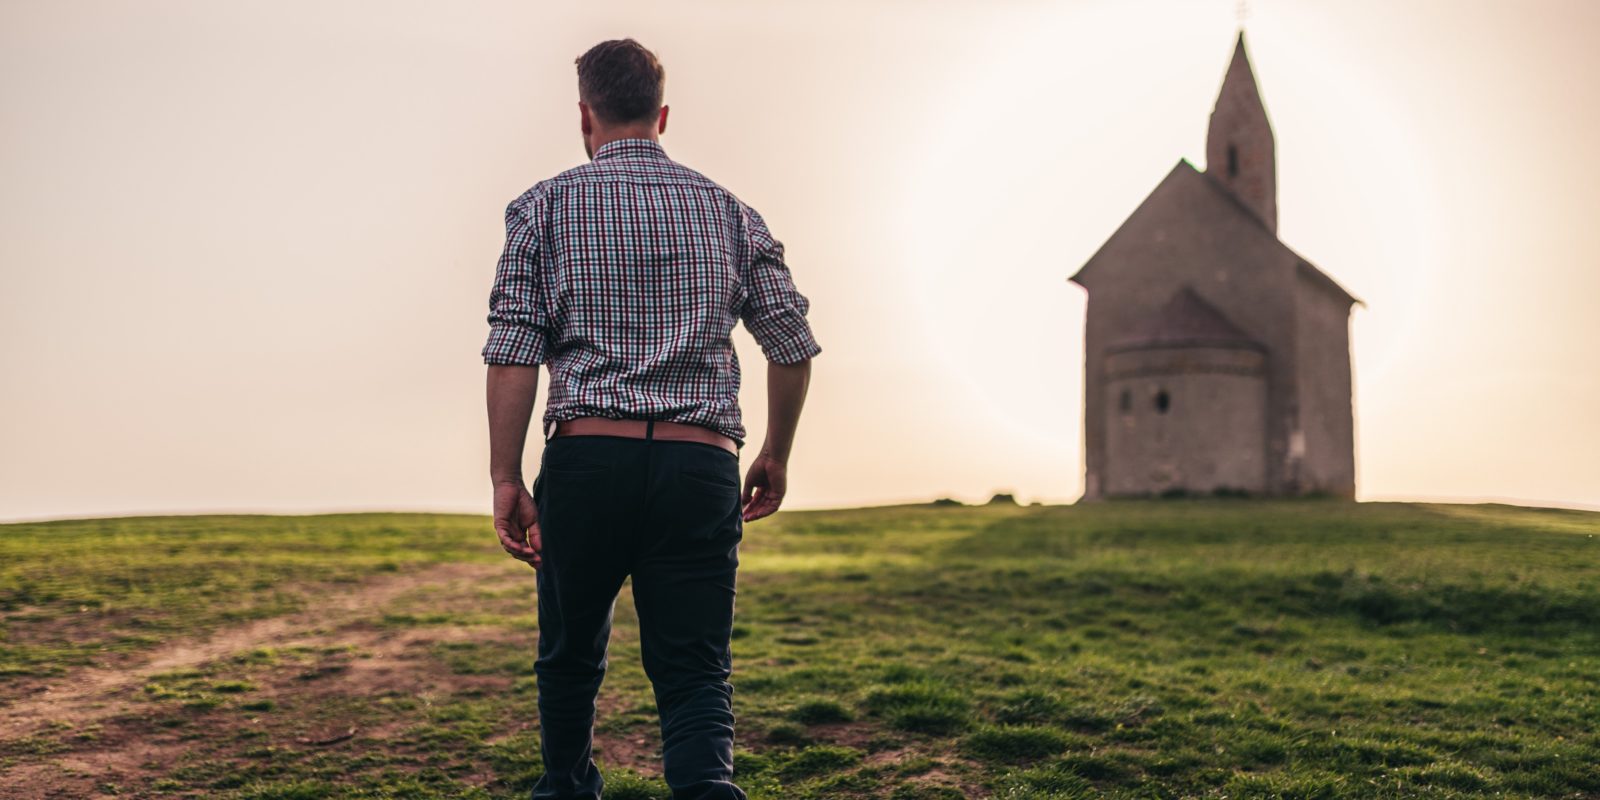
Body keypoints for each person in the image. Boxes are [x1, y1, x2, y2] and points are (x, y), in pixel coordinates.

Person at [482, 38, 820, 800]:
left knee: (569, 656)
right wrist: (776, 453)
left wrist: (506, 477)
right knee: (696, 669)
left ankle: (565, 786)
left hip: (586, 462)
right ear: (662, 114)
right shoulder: (731, 212)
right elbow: (792, 345)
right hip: (698, 467)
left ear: (584, 115)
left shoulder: (542, 206)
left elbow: (512, 350)